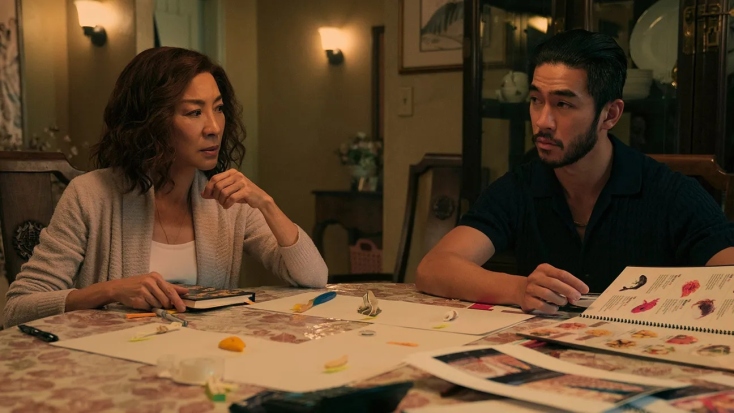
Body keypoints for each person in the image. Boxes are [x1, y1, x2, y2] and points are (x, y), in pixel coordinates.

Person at [3, 47, 328, 328]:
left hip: (202, 362)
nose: (214, 127)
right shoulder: (90, 195)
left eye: (218, 108)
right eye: (194, 112)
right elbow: (18, 307)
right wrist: (110, 291)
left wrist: (266, 203)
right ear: (151, 121)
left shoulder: (228, 202)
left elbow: (314, 277)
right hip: (112, 361)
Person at [416, 29, 734, 314]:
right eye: (536, 100)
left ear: (610, 114)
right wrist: (519, 288)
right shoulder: (522, 186)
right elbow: (434, 267)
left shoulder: (667, 192)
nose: (542, 121)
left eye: (563, 104)